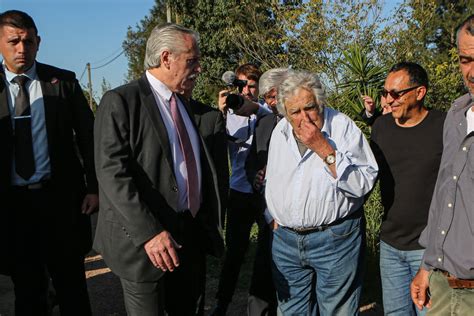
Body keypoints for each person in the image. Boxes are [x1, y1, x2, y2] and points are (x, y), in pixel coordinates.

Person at [93, 23, 224, 316]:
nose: (199, 68)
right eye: (192, 60)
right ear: (166, 58)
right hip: (145, 243)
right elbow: (111, 173)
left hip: (188, 235)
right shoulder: (121, 102)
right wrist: (150, 233)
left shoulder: (186, 105)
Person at [0, 10, 98, 315]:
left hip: (60, 203)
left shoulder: (63, 83)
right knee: (28, 292)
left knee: (72, 289)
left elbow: (89, 138)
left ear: (38, 42)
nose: (21, 49)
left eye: (28, 41)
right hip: (13, 208)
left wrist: (94, 187)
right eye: (13, 41)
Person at [265, 70, 378, 315]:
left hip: (335, 239)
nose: (304, 118)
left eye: (310, 108)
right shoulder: (280, 132)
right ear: (285, 111)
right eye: (295, 112)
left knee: (338, 310)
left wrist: (323, 148)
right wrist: (274, 216)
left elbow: (363, 183)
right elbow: (275, 179)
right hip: (286, 241)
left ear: (320, 103)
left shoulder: (342, 127)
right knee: (291, 311)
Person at [369, 62, 445, 315]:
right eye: (386, 92)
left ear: (420, 92)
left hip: (429, 248)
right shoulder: (381, 127)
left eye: (396, 93)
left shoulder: (443, 127)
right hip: (390, 245)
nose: (389, 100)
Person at [410, 14, 474, 315]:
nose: (471, 72)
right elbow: (444, 195)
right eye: (465, 60)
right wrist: (427, 267)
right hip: (443, 286)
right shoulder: (456, 115)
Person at [211, 63, 271, 315]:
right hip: (238, 191)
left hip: (266, 194)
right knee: (234, 254)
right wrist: (221, 112)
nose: (246, 90)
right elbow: (212, 144)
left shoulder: (267, 112)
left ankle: (262, 308)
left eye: (252, 85)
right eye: (242, 84)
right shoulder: (227, 114)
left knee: (267, 255)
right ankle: (220, 305)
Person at [244, 68, 290, 316]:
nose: (270, 103)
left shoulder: (305, 121)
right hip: (268, 219)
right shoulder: (264, 124)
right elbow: (250, 162)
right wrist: (256, 176)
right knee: (262, 278)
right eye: (267, 98)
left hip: (294, 222)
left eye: (273, 96)